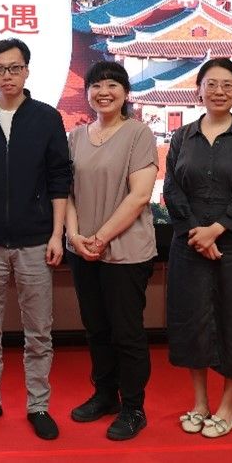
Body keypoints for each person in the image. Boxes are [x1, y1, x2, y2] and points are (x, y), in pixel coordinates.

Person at [0, 38, 71, 440]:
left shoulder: (46, 118)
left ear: (27, 70)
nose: (7, 75)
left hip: (36, 240)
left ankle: (38, 404)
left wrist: (57, 234)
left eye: (14, 68)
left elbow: (59, 178)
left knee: (38, 330)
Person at [164, 57, 232, 439]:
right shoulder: (182, 136)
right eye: (211, 84)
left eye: (227, 85)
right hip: (189, 244)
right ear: (199, 90)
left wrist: (217, 229)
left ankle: (228, 407)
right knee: (193, 322)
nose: (219, 91)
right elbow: (172, 188)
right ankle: (200, 403)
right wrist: (197, 233)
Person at [64, 61, 159, 441]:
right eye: (96, 85)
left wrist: (100, 238)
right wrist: (74, 235)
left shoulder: (139, 133)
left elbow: (140, 195)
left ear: (125, 93)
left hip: (126, 251)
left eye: (112, 85)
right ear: (87, 92)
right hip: (83, 250)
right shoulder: (75, 137)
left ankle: (133, 407)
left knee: (126, 332)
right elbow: (67, 194)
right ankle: (105, 395)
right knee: (97, 329)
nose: (103, 92)